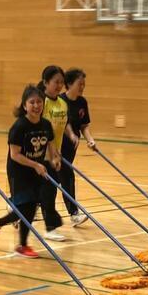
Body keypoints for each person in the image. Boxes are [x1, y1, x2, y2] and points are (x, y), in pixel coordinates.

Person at [0, 85, 61, 258]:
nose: (36, 105)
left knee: (29, 207)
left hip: (35, 170)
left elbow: (52, 148)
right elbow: (15, 155)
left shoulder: (46, 124)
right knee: (25, 208)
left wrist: (55, 160)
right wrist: (35, 165)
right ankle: (21, 245)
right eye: (32, 102)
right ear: (24, 105)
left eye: (39, 102)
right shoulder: (19, 127)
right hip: (18, 171)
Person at [37, 65, 79, 241]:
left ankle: (15, 207)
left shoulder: (62, 103)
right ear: (46, 82)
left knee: (49, 190)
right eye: (56, 82)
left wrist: (58, 152)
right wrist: (51, 153)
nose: (59, 85)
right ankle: (50, 228)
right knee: (45, 191)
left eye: (62, 82)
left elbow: (61, 129)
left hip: (55, 154)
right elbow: (41, 130)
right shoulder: (40, 102)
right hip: (39, 155)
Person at [60, 68, 96, 225]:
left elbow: (84, 125)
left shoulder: (82, 102)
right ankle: (74, 213)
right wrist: (71, 135)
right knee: (64, 176)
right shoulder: (60, 101)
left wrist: (90, 140)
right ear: (69, 84)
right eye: (79, 84)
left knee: (63, 176)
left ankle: (18, 207)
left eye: (84, 84)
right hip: (56, 144)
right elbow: (62, 123)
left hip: (71, 146)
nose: (82, 87)